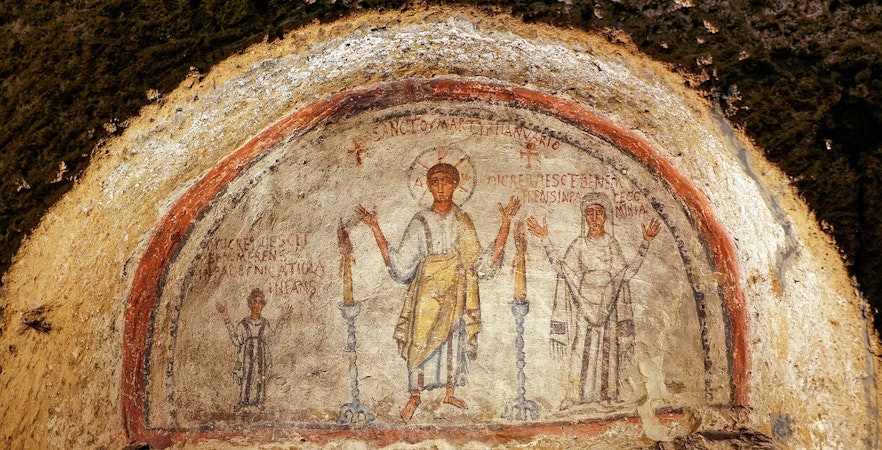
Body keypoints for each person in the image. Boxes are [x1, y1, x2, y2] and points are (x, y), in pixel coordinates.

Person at [356, 162, 520, 421]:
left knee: (453, 339)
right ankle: (414, 396)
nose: (441, 187)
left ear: (456, 185)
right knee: (420, 339)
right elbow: (401, 264)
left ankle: (449, 392)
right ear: (428, 187)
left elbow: (479, 262)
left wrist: (505, 224)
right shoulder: (420, 221)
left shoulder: (462, 220)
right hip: (427, 290)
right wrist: (375, 227)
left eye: (446, 181)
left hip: (456, 289)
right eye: (435, 182)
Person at [527, 192, 660, 410]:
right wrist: (544, 240)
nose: (595, 217)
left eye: (599, 212)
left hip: (608, 301)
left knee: (608, 348)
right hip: (584, 300)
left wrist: (645, 244)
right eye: (590, 213)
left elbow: (625, 274)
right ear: (584, 217)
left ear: (606, 217)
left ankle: (606, 395)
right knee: (582, 347)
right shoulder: (579, 245)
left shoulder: (611, 244)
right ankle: (576, 396)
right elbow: (563, 269)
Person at [215, 288, 293, 407]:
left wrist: (282, 320)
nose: (257, 305)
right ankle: (244, 402)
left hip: (261, 356)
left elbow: (272, 340)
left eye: (260, 302)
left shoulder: (264, 323)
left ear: (262, 305)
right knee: (247, 376)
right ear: (250, 304)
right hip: (247, 356)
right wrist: (225, 317)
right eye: (255, 302)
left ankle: (259, 402)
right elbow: (236, 340)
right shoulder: (244, 323)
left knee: (260, 377)